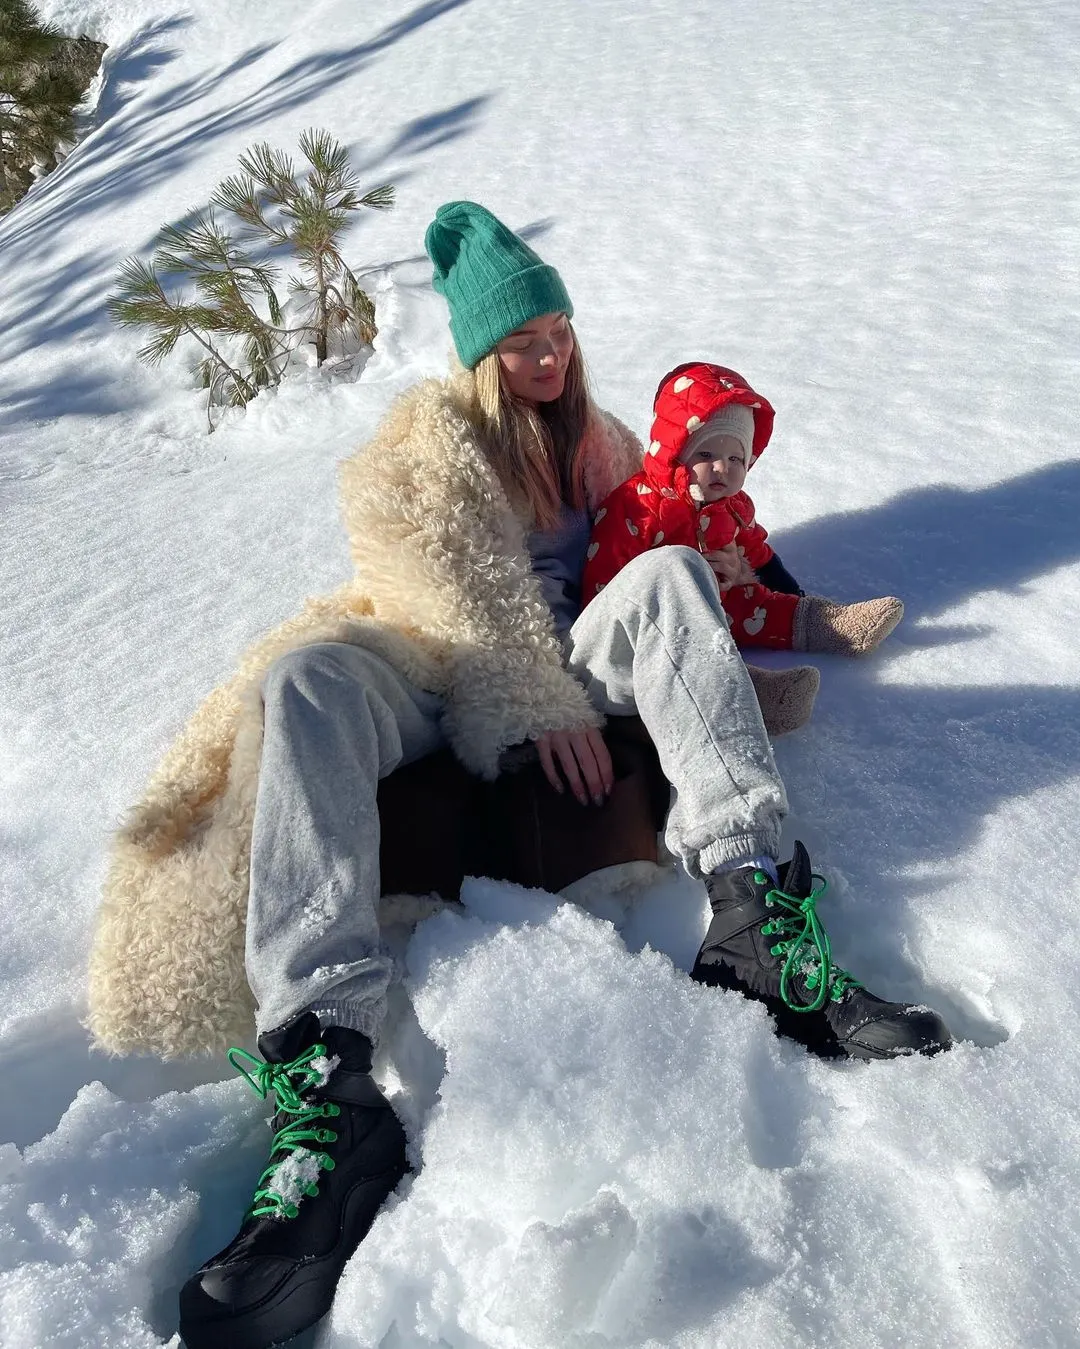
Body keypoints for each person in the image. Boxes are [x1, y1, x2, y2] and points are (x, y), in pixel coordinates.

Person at [87, 202, 951, 1349]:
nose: (548, 357)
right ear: (480, 352)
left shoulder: (603, 442)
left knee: (676, 573)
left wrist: (742, 601)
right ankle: (328, 1072)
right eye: (523, 342)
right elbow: (448, 591)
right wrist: (529, 704)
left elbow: (664, 543)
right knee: (306, 681)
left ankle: (756, 919)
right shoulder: (425, 440)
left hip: (574, 655)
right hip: (440, 665)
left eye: (558, 333)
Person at [582, 360, 905, 655]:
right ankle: (753, 688)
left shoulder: (733, 506)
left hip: (728, 603)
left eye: (735, 458)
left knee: (764, 609)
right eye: (706, 455)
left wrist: (791, 593)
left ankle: (832, 625)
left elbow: (757, 553)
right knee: (690, 651)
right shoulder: (636, 508)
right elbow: (605, 582)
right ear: (675, 454)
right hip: (662, 622)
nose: (723, 468)